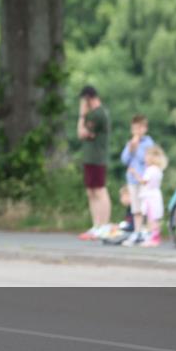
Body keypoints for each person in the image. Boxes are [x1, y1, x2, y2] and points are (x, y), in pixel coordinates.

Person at [77, 86, 112, 240]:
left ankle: (104, 225)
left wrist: (81, 115)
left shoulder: (98, 114)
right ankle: (96, 225)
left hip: (98, 158)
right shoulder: (92, 114)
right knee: (91, 192)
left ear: (88, 98)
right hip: (90, 159)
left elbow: (81, 133)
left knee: (100, 191)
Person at [123, 145, 167, 247]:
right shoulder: (158, 169)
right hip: (155, 195)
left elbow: (143, 181)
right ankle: (154, 237)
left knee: (151, 219)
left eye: (146, 156)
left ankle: (154, 239)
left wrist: (134, 173)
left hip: (150, 197)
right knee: (154, 218)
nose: (145, 158)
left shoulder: (150, 170)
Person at [120, 114, 154, 234]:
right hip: (132, 180)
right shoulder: (130, 143)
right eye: (134, 129)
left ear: (145, 128)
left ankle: (148, 231)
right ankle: (137, 231)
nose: (137, 131)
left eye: (139, 128)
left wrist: (137, 147)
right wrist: (131, 148)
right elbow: (124, 160)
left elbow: (145, 159)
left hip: (144, 180)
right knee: (136, 208)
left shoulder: (148, 143)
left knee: (146, 208)